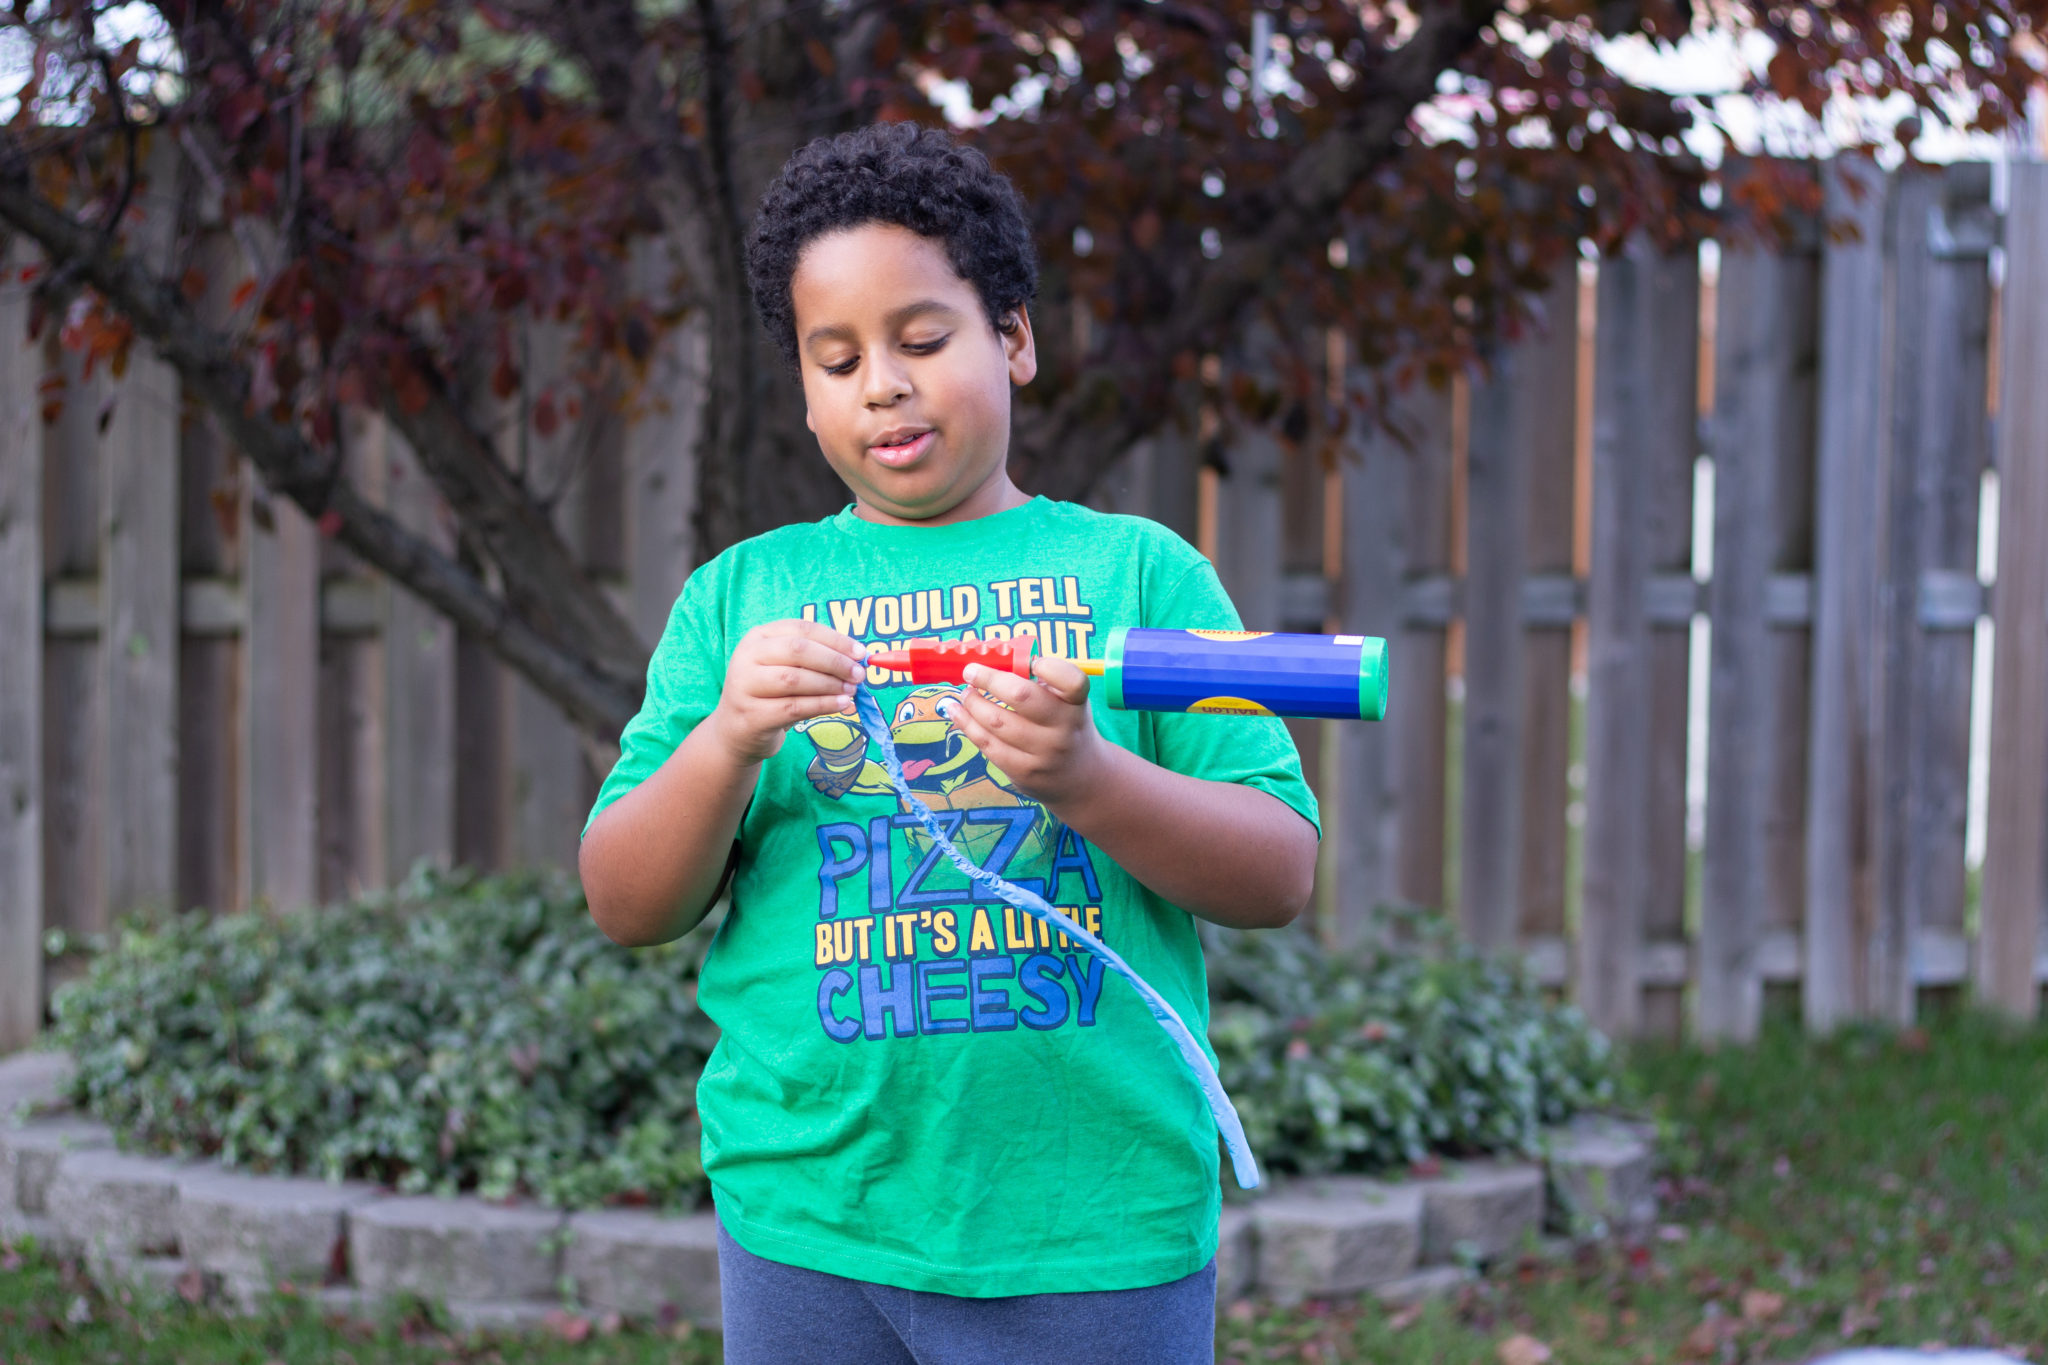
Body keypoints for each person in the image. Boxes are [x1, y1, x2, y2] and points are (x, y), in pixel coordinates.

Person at [578, 120, 1321, 1365]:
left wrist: (1087, 778)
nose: (883, 382)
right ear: (805, 388)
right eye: (837, 357)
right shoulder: (738, 601)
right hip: (814, 1215)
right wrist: (721, 744)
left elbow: (1277, 870)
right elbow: (624, 898)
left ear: (1013, 339)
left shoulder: (1141, 572)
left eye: (922, 339)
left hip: (1094, 1225)